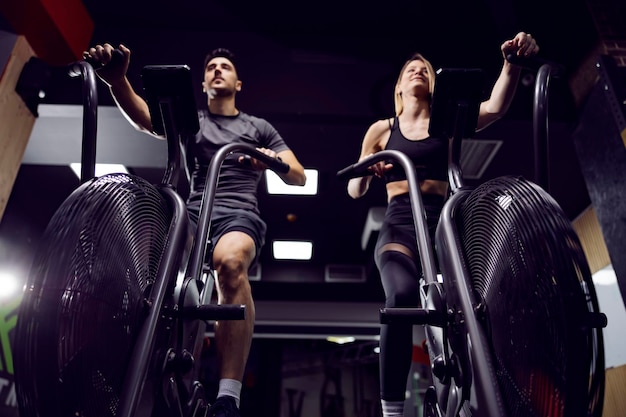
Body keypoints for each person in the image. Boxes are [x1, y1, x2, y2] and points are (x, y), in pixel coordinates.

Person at [83, 44, 307, 417]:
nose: (218, 70)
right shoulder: (194, 122)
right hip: (192, 215)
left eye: (226, 67)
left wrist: (268, 160)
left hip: (239, 214)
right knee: (154, 282)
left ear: (238, 83)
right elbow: (144, 117)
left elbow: (298, 174)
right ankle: (144, 370)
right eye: (211, 68)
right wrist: (118, 81)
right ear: (203, 83)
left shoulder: (258, 127)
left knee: (230, 263)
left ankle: (228, 397)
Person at [346, 32, 539, 417]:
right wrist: (369, 169)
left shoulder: (447, 121)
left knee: (476, 309)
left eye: (424, 70)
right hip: (400, 223)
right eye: (410, 70)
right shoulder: (381, 130)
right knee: (400, 299)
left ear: (432, 83)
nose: (418, 71)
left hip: (446, 224)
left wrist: (512, 65)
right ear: (400, 87)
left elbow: (496, 108)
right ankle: (392, 409)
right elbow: (354, 189)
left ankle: (483, 394)